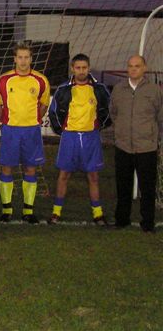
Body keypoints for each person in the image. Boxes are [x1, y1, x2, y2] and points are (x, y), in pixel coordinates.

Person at [48, 54, 111, 225]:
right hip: (70, 137)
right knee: (64, 175)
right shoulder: (63, 89)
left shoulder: (99, 89)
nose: (81, 71)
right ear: (72, 68)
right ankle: (56, 212)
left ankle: (98, 213)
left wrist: (99, 126)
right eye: (78, 68)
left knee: (93, 176)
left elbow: (107, 110)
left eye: (84, 68)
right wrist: (63, 131)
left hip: (91, 137)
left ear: (89, 68)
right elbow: (53, 112)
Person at [0, 42, 49, 224]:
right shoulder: (4, 80)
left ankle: (28, 210)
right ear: (14, 59)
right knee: (7, 167)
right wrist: (6, 121)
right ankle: (7, 210)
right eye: (20, 57)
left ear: (31, 59)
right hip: (11, 131)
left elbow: (43, 105)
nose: (23, 61)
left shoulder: (41, 80)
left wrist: (32, 120)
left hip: (31, 131)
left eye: (26, 57)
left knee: (30, 168)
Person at [110, 55, 163, 233]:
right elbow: (113, 113)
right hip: (123, 146)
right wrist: (120, 133)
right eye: (130, 66)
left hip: (146, 147)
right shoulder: (118, 89)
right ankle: (121, 219)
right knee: (122, 185)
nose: (133, 69)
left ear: (144, 68)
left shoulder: (155, 90)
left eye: (137, 66)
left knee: (147, 187)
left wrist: (157, 140)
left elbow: (160, 117)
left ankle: (147, 223)